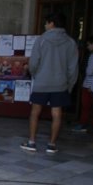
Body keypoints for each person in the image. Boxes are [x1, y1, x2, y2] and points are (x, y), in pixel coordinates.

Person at [20, 12, 78, 154]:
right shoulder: (71, 43)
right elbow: (73, 67)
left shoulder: (41, 40)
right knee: (57, 114)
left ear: (52, 23)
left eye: (46, 23)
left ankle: (32, 142)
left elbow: (33, 63)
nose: (45, 25)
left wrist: (35, 75)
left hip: (42, 82)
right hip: (60, 84)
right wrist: (69, 85)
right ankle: (51, 144)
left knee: (35, 112)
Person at [71, 35, 93, 133]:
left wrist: (92, 85)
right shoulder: (90, 55)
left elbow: (92, 71)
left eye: (89, 44)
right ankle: (83, 123)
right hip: (87, 84)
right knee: (85, 106)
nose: (87, 47)